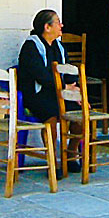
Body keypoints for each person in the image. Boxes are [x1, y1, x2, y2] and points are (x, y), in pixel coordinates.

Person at [18, 9, 83, 173]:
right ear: (47, 27)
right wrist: (65, 87)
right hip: (37, 94)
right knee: (52, 115)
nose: (62, 25)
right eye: (58, 22)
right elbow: (41, 75)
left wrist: (74, 90)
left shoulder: (59, 47)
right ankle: (52, 160)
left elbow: (68, 72)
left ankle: (71, 152)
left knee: (80, 117)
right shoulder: (31, 46)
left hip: (59, 93)